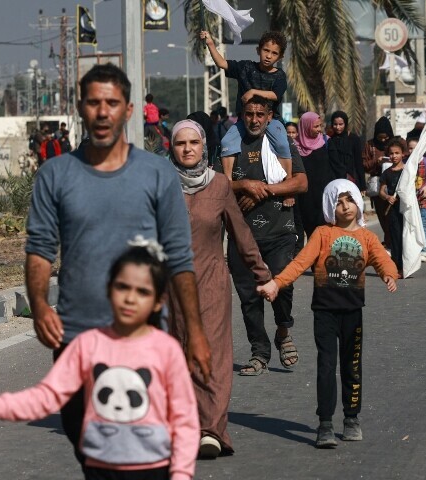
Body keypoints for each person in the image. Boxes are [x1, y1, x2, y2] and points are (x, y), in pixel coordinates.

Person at [24, 63, 211, 466]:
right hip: (75, 340)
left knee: (142, 455)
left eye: (112, 103)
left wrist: (195, 332)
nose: (103, 112)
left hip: (143, 342)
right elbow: (39, 249)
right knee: (90, 452)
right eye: (94, 103)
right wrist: (39, 305)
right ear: (81, 108)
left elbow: (179, 258)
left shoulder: (157, 173)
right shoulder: (55, 175)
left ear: (128, 110)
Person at [0, 243, 199, 480]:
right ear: (108, 290)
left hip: (154, 468)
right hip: (100, 468)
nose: (130, 299)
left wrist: (181, 474)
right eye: (122, 287)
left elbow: (184, 419)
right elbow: (47, 396)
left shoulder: (166, 350)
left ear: (159, 301)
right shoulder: (87, 345)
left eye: (142, 292)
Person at [258, 179, 397, 448]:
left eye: (349, 200)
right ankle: (325, 424)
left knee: (351, 366)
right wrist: (276, 283)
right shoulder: (322, 234)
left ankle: (352, 419)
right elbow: (299, 263)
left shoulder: (367, 238)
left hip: (352, 313)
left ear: (358, 202)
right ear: (330, 207)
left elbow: (383, 259)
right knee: (326, 365)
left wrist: (389, 274)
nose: (345, 206)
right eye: (338, 202)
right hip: (324, 312)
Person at [166, 119, 271, 458]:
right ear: (172, 148)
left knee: (212, 354)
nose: (187, 148)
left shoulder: (221, 185)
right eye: (180, 143)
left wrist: (262, 273)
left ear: (203, 147)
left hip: (211, 281)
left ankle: (211, 430)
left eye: (193, 143)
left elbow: (241, 234)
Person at [219, 96, 308, 376]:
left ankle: (283, 331)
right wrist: (244, 185)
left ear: (269, 116)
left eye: (260, 114)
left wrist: (264, 190)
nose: (254, 119)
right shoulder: (230, 144)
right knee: (249, 297)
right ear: (241, 116)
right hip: (241, 234)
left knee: (282, 282)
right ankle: (259, 352)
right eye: (249, 114)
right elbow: (218, 184)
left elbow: (302, 183)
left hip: (280, 230)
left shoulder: (280, 141)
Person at [200, 30, 292, 178]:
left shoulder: (279, 76)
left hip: (271, 121)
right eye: (266, 50)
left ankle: (288, 181)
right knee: (227, 142)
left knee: (282, 144)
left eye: (274, 53)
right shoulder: (246, 68)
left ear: (280, 57)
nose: (268, 56)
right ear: (258, 50)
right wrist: (210, 43)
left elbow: (275, 95)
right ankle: (229, 181)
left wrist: (253, 92)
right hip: (245, 121)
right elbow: (222, 63)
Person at [295, 112, 335, 243]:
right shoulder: (295, 147)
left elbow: (334, 167)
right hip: (305, 198)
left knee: (325, 233)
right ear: (305, 126)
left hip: (324, 195)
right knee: (311, 233)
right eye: (315, 126)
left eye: (320, 126)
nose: (319, 130)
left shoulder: (325, 142)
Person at [362, 116, 394, 245]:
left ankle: (394, 239)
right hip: (377, 185)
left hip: (393, 184)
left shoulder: (395, 143)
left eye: (385, 137)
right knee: (382, 215)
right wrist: (377, 161)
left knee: (393, 215)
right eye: (380, 137)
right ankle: (388, 239)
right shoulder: (369, 145)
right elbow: (364, 164)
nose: (383, 140)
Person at [379, 138, 408, 276]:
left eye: (397, 153)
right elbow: (381, 191)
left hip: (406, 209)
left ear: (403, 154)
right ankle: (397, 267)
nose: (394, 156)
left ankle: (408, 264)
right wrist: (387, 197)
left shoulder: (408, 171)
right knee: (396, 237)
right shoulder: (387, 173)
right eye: (391, 153)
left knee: (406, 237)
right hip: (392, 211)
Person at [327, 111, 365, 192]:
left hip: (351, 180)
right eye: (335, 124)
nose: (337, 127)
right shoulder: (329, 140)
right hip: (335, 181)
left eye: (341, 124)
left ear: (346, 124)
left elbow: (359, 163)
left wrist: (363, 186)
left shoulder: (354, 139)